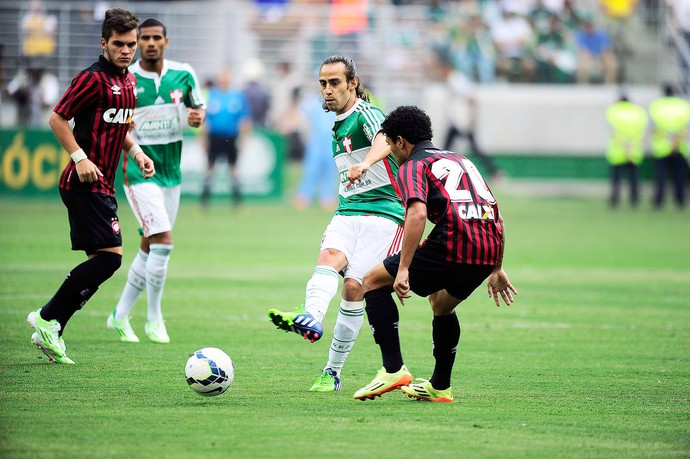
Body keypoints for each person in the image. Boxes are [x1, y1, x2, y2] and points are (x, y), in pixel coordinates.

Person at [352, 105, 517, 403]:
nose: (390, 151)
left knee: (372, 281)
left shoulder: (412, 166)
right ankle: (440, 386)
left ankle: (392, 369)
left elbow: (417, 214)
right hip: (488, 245)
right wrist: (496, 266)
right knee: (441, 305)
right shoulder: (461, 159)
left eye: (389, 144)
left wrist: (403, 270)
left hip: (454, 243)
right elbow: (496, 213)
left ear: (401, 141)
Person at [267, 55, 405, 392]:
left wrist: (366, 163)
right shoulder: (336, 123)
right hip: (347, 211)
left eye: (335, 83)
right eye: (323, 83)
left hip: (384, 214)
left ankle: (332, 372)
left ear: (352, 83)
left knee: (354, 288)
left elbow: (384, 140)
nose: (327, 90)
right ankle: (312, 317)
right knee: (329, 256)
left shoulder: (366, 114)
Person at [26, 8, 154, 364]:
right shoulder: (92, 79)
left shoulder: (128, 82)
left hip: (103, 185)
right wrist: (80, 157)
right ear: (104, 43)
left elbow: (121, 126)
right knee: (110, 259)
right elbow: (57, 117)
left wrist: (138, 152)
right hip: (83, 183)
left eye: (131, 44)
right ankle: (48, 317)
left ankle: (51, 330)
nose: (127, 50)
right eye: (119, 44)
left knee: (98, 265)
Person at [108, 18, 206, 344]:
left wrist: (197, 118)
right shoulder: (127, 80)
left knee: (150, 247)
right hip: (138, 172)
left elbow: (197, 111)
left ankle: (119, 316)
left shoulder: (184, 74)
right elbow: (115, 125)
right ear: (138, 42)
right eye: (144, 38)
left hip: (171, 172)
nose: (150, 43)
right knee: (163, 242)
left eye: (155, 38)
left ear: (166, 41)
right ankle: (154, 318)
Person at [200, 68, 252, 208]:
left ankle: (237, 201)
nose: (224, 80)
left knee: (234, 169)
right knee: (210, 167)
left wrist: (243, 140)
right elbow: (205, 120)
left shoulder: (237, 96)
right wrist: (203, 139)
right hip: (215, 137)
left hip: (231, 137)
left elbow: (244, 120)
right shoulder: (211, 96)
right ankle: (204, 201)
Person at [649, 83, 690, 209]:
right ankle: (681, 200)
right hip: (679, 146)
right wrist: (676, 140)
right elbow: (686, 127)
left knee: (660, 177)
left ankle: (659, 201)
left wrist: (667, 138)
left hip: (662, 147)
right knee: (679, 177)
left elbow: (654, 128)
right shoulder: (683, 106)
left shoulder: (656, 106)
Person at [605, 95, 648, 208]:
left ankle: (615, 200)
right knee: (634, 178)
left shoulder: (613, 111)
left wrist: (624, 146)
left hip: (618, 152)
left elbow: (612, 131)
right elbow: (642, 132)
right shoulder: (639, 112)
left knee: (616, 179)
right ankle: (634, 200)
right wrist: (631, 146)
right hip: (634, 151)